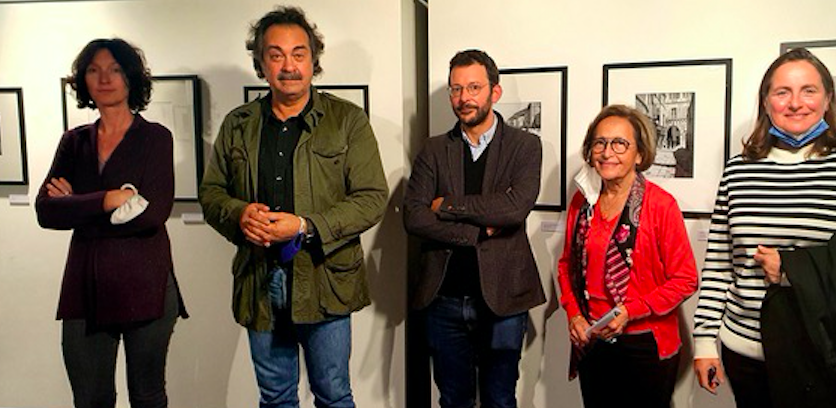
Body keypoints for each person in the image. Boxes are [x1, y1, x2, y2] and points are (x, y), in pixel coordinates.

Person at [693, 48, 836, 408]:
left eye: (808, 90)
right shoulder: (738, 170)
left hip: (827, 350)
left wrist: (796, 270)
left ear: (827, 99)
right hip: (746, 352)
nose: (795, 103)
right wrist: (704, 342)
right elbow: (720, 264)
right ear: (766, 102)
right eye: (782, 92)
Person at [198, 6, 387, 408]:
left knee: (333, 395)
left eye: (298, 54)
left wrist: (304, 225)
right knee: (275, 398)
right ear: (261, 62)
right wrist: (238, 213)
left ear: (313, 60)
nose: (288, 66)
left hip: (325, 279)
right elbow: (212, 193)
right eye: (276, 54)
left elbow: (372, 199)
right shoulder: (238, 124)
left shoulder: (347, 120)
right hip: (259, 281)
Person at [35, 38, 187, 408]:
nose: (104, 78)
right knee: (89, 398)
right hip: (85, 284)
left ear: (131, 78)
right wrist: (108, 199)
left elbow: (152, 212)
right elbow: (45, 211)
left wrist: (75, 205)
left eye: (115, 69)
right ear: (83, 81)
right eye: (93, 70)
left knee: (147, 396)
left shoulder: (154, 138)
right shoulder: (74, 143)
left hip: (146, 283)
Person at [403, 49, 545, 408]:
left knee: (500, 399)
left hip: (503, 298)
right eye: (456, 89)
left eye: (474, 87)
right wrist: (477, 232)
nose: (464, 98)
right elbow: (415, 217)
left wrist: (448, 205)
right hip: (444, 300)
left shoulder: (525, 145)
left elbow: (515, 209)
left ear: (494, 92)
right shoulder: (434, 149)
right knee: (453, 400)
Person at [556, 105, 698, 407]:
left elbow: (685, 280)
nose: (608, 152)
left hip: (645, 343)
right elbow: (566, 264)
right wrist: (574, 315)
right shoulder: (583, 201)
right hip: (592, 339)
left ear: (639, 154)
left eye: (620, 143)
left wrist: (632, 310)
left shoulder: (660, 205)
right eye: (600, 142)